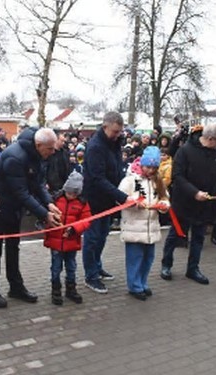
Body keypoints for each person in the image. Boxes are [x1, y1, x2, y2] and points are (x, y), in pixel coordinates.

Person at [0, 127, 62, 308]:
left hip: (14, 206)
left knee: (13, 246)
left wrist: (49, 203)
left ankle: (16, 286)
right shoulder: (15, 157)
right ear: (39, 144)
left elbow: (38, 183)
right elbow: (21, 192)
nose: (52, 152)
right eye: (49, 149)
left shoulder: (38, 155)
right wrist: (44, 215)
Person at [160, 124, 216, 285]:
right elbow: (177, 176)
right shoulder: (185, 150)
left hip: (206, 203)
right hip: (184, 202)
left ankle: (193, 268)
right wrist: (194, 192)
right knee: (175, 235)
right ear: (211, 139)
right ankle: (166, 264)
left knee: (198, 237)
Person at [81, 112, 128, 294]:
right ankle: (90, 276)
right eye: (115, 131)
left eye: (119, 132)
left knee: (102, 236)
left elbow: (117, 169)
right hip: (94, 201)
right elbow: (97, 178)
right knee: (92, 239)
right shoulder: (95, 147)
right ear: (105, 126)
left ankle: (97, 266)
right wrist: (122, 196)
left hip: (108, 200)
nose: (117, 135)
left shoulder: (114, 144)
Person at [118, 146, 170, 301]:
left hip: (151, 228)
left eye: (154, 168)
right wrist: (133, 202)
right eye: (148, 167)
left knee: (148, 258)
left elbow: (165, 198)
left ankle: (143, 281)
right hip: (134, 228)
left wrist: (164, 206)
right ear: (141, 164)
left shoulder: (158, 182)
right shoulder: (130, 180)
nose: (151, 170)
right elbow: (119, 198)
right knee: (135, 258)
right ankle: (134, 286)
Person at [43, 170, 90, 305]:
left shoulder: (82, 203)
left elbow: (86, 220)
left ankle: (71, 290)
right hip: (56, 241)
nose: (71, 196)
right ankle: (56, 291)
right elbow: (47, 214)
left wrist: (74, 229)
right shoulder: (56, 199)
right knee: (56, 267)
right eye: (69, 193)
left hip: (71, 241)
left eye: (74, 194)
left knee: (71, 267)